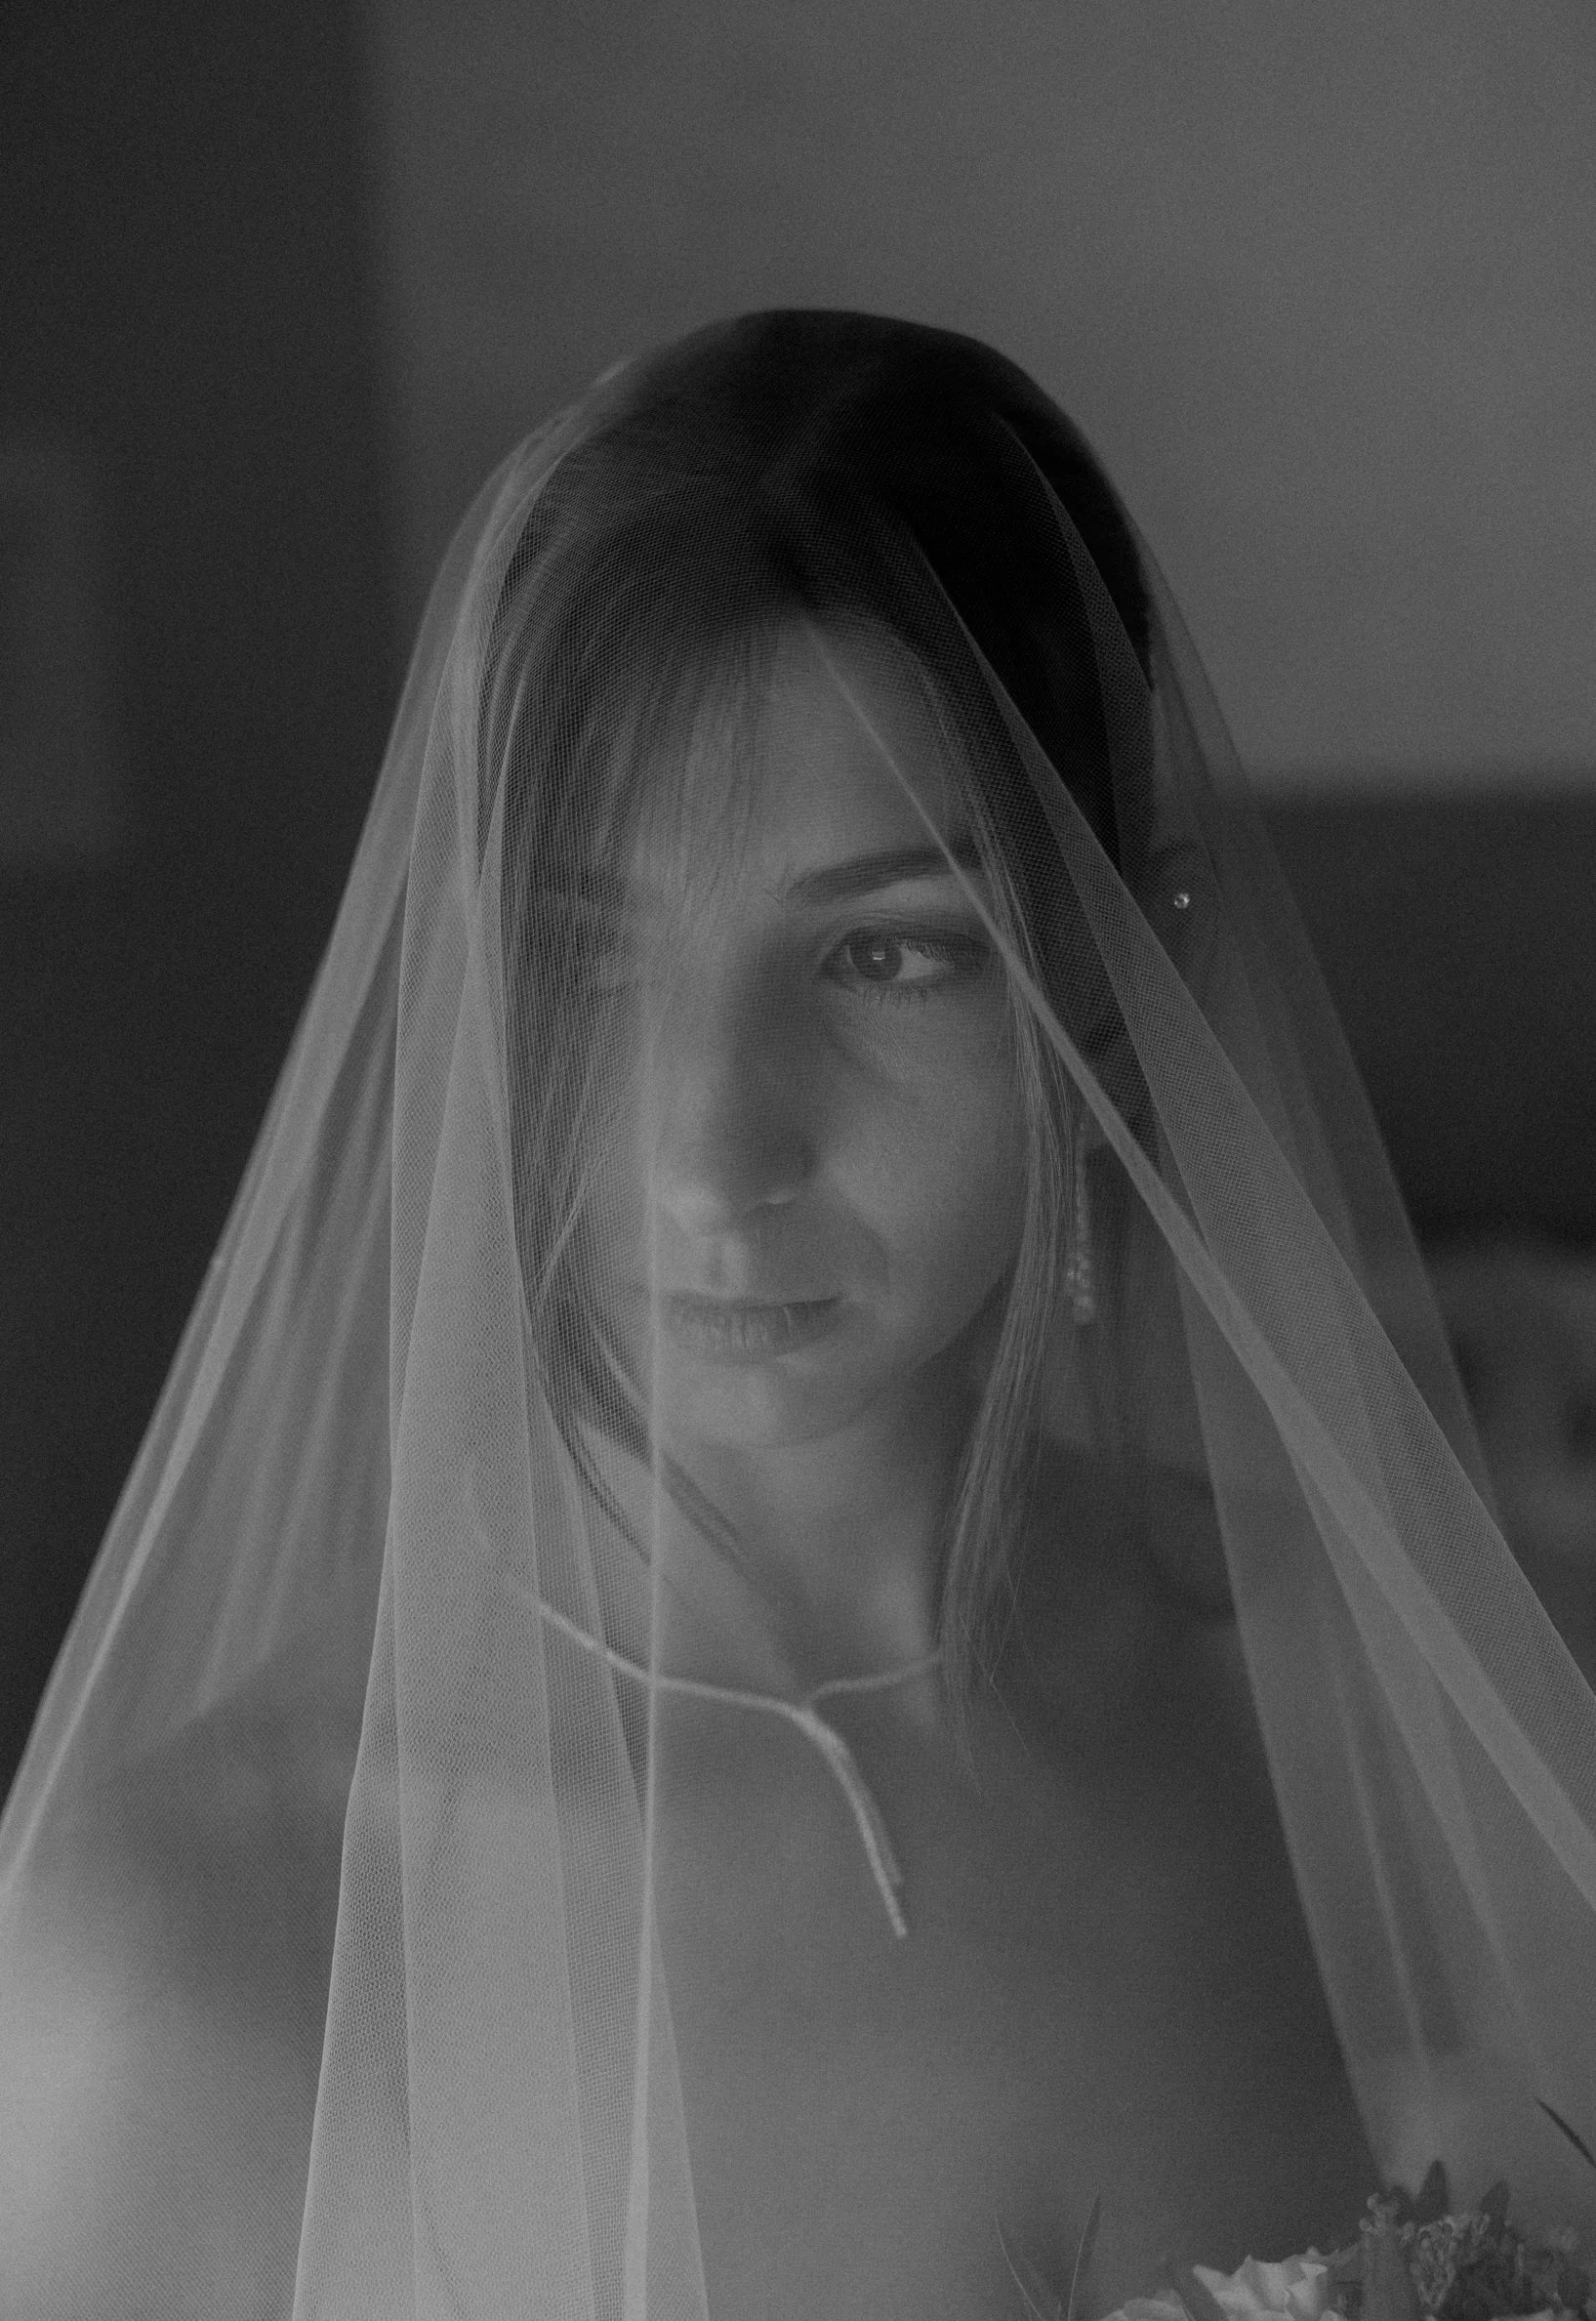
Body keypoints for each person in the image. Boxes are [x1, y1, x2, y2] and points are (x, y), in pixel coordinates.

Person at [3, 311, 1594, 2320]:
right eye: (577, 952)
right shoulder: (187, 1945)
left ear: (1120, 975)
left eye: (882, 951)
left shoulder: (1366, 1705)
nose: (705, 1152)